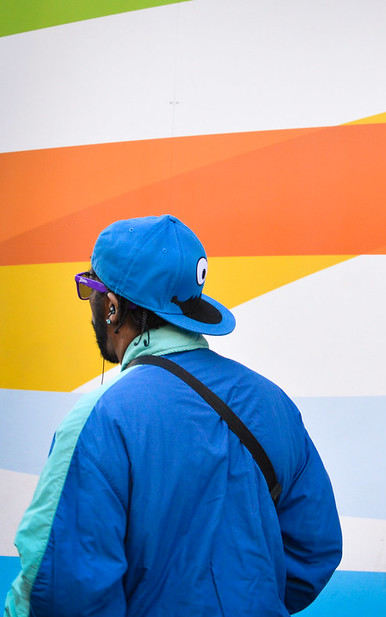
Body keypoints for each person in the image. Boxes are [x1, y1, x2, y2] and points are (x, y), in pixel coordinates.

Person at [5, 215, 342, 617]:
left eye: (90, 288)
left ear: (111, 307)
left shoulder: (100, 419)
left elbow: (63, 588)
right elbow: (314, 547)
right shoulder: (274, 404)